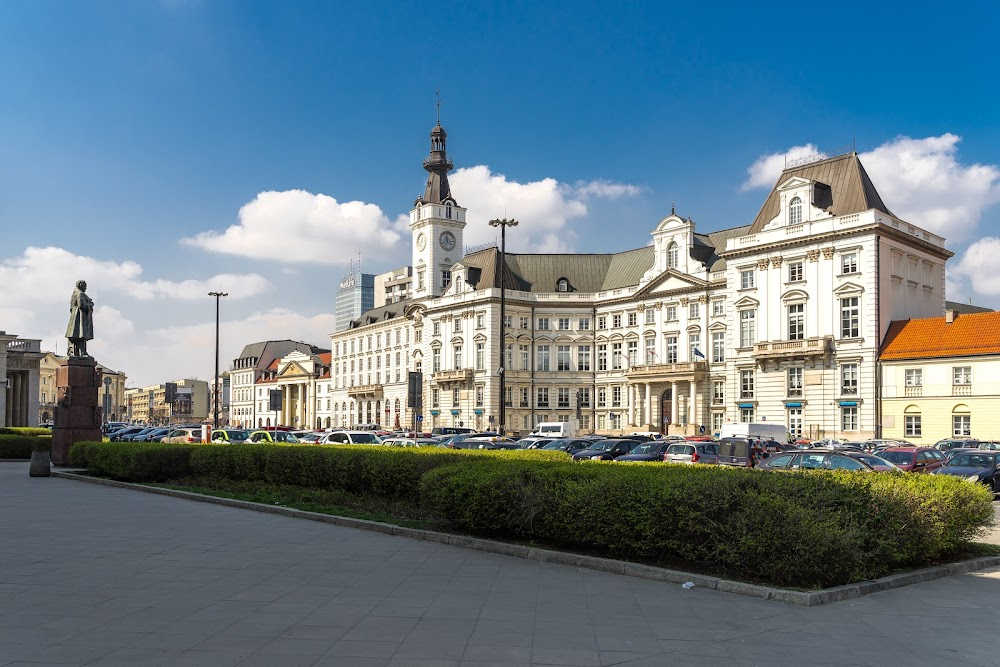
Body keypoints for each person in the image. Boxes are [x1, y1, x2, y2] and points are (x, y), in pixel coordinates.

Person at [66, 280, 94, 357]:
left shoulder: (75, 293)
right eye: (85, 286)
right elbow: (81, 305)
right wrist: (90, 305)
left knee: (76, 335)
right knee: (81, 334)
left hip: (75, 316)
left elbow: (71, 307)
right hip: (80, 317)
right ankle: (82, 352)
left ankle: (74, 352)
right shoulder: (80, 293)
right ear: (81, 285)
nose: (86, 288)